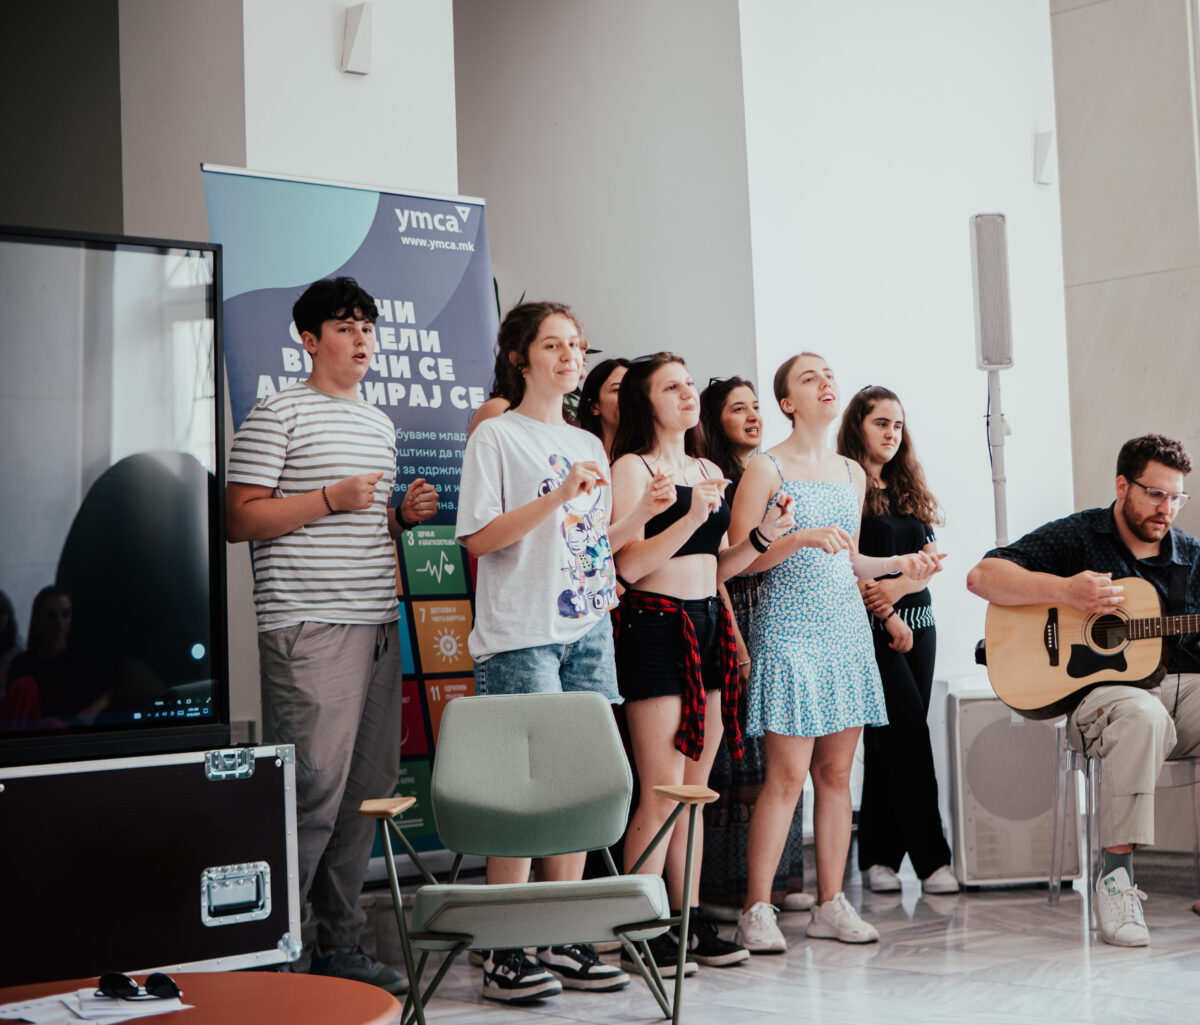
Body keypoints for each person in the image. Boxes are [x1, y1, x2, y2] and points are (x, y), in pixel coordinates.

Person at [965, 433, 1200, 947]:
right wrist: (1065, 589)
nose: (1167, 509)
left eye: (1176, 497)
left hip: (1185, 687)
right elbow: (983, 576)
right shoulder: (1080, 537)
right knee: (1143, 714)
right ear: (1123, 486)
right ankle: (1115, 881)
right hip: (1104, 698)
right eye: (1155, 494)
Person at [226, 277, 438, 994]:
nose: (361, 339)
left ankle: (339, 947)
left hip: (377, 622)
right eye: (345, 327)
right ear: (309, 339)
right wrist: (328, 497)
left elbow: (362, 523)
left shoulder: (378, 422)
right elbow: (239, 519)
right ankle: (278, 955)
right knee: (310, 789)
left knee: (363, 792)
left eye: (368, 327)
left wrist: (399, 517)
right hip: (308, 624)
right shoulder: (277, 413)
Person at [729, 352, 941, 953]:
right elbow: (739, 560)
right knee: (786, 778)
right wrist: (796, 536)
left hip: (845, 634)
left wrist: (902, 564)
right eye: (809, 377)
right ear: (787, 403)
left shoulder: (852, 473)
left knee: (836, 776)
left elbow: (850, 561)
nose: (825, 382)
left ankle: (830, 904)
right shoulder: (765, 468)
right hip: (789, 633)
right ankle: (756, 910)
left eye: (828, 374)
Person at [455, 300, 632, 1003]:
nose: (569, 357)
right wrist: (558, 494)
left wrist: (643, 517)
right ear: (519, 356)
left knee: (577, 789)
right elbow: (479, 538)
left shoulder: (589, 442)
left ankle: (561, 935)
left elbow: (589, 542)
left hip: (587, 628)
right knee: (521, 797)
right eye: (553, 345)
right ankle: (505, 948)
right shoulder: (497, 435)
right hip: (521, 633)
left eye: (576, 345)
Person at [609, 354, 795, 972]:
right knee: (661, 790)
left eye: (689, 384)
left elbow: (717, 566)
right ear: (646, 401)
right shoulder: (633, 468)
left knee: (694, 791)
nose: (687, 394)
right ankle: (642, 927)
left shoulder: (709, 469)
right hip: (655, 625)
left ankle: (686, 922)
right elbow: (628, 566)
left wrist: (764, 536)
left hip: (706, 623)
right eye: (672, 387)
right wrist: (689, 515)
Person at [695, 377, 809, 915]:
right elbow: (714, 569)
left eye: (756, 407)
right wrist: (738, 644)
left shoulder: (773, 470)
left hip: (777, 613)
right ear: (714, 420)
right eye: (738, 409)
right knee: (732, 756)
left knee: (779, 757)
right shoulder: (715, 480)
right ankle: (726, 889)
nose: (752, 416)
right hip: (733, 614)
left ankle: (778, 883)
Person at [836, 386, 956, 895]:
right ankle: (931, 860)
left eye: (898, 425)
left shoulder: (907, 485)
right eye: (881, 423)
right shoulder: (845, 484)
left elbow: (931, 561)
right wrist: (887, 614)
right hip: (872, 628)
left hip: (920, 622)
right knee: (907, 733)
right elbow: (847, 565)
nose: (892, 433)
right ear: (858, 426)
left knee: (892, 741)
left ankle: (879, 857)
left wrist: (899, 591)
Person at [577, 357, 629, 455]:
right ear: (595, 406)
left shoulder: (653, 458)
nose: (630, 397)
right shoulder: (576, 454)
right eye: (617, 390)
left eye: (634, 390)